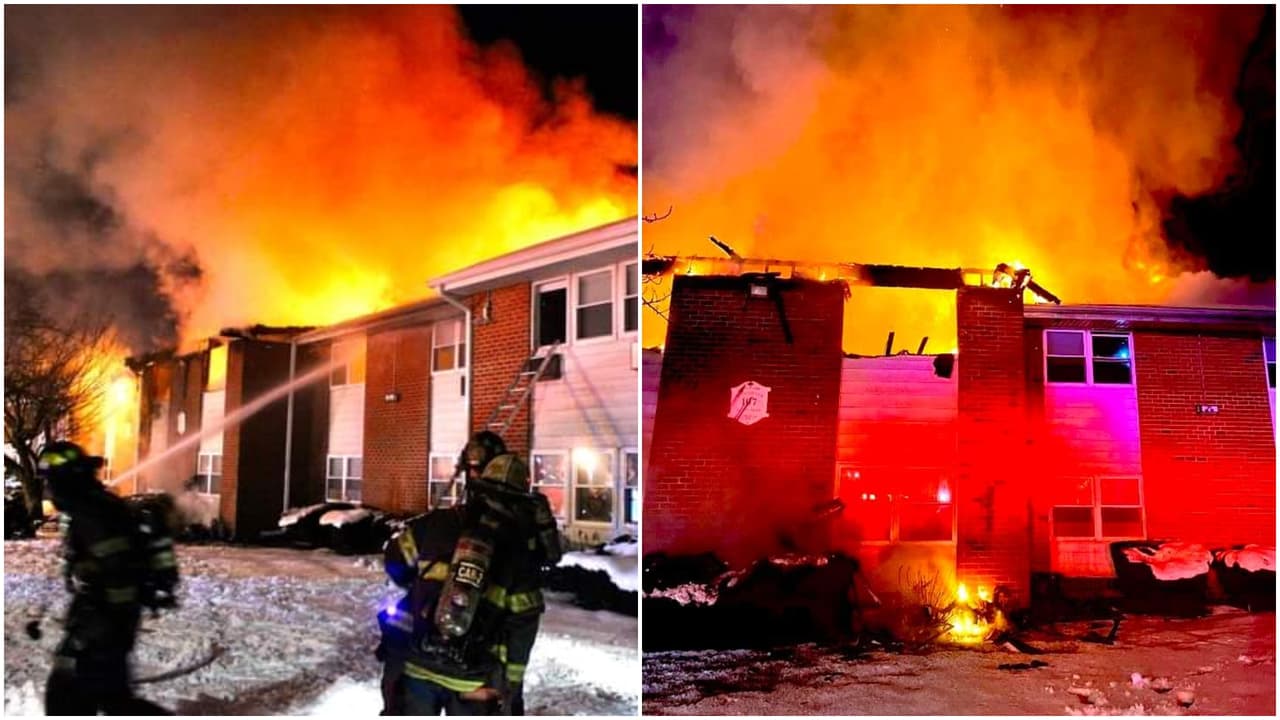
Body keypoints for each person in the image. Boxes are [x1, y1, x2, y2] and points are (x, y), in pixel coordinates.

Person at [382, 431, 560, 715]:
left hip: (417, 663)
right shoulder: (520, 547)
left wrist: (422, 591)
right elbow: (523, 624)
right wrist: (511, 688)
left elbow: (394, 559)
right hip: (476, 679)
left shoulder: (437, 522)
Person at [38, 441, 175, 716]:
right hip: (107, 617)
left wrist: (96, 627)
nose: (49, 488)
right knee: (109, 698)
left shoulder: (93, 513)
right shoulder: (92, 506)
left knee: (70, 696)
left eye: (52, 480)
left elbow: (119, 570)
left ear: (67, 479)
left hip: (104, 620)